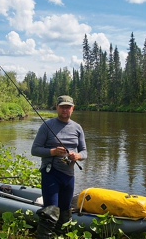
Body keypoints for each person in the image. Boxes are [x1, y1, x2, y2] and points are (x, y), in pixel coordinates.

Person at [31, 95, 87, 238]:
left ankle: (62, 235)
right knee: (50, 211)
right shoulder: (47, 126)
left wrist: (77, 156)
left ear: (72, 109)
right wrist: (53, 152)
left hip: (68, 176)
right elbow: (35, 150)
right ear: (57, 107)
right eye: (62, 106)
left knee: (65, 211)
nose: (65, 110)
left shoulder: (77, 128)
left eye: (68, 107)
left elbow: (84, 152)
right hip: (51, 173)